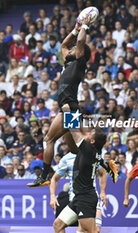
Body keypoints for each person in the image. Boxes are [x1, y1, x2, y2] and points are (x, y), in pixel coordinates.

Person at [26, 16, 92, 187]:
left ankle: (47, 176)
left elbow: (78, 44)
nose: (69, 49)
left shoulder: (79, 60)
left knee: (57, 141)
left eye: (75, 47)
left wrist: (84, 27)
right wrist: (75, 29)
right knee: (72, 148)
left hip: (70, 107)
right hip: (67, 108)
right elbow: (64, 45)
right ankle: (81, 172)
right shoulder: (69, 60)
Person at [50, 118, 108, 233]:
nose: (87, 133)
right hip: (77, 198)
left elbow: (74, 131)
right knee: (58, 225)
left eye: (90, 133)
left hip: (85, 198)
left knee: (92, 231)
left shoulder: (87, 149)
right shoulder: (95, 153)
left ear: (92, 141)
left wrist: (68, 113)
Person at [50, 152, 109, 233]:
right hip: (74, 200)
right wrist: (52, 196)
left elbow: (103, 173)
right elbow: (54, 179)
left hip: (89, 199)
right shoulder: (66, 159)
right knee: (58, 225)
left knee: (94, 229)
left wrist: (103, 192)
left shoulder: (90, 154)